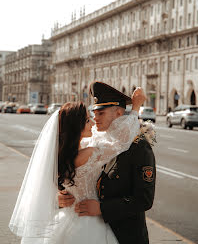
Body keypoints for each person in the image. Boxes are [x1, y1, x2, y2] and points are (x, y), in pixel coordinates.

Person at [9, 84, 146, 244]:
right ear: (77, 127)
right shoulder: (88, 153)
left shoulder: (62, 154)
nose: (93, 123)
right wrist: (135, 108)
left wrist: (57, 197)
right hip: (89, 222)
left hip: (68, 219)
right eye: (88, 120)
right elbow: (119, 141)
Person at [60, 81, 156, 244]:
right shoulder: (91, 141)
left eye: (101, 113)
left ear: (118, 113)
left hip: (125, 235)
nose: (95, 118)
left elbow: (144, 199)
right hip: (86, 230)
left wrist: (102, 209)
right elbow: (71, 174)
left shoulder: (137, 145)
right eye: (94, 113)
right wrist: (63, 196)